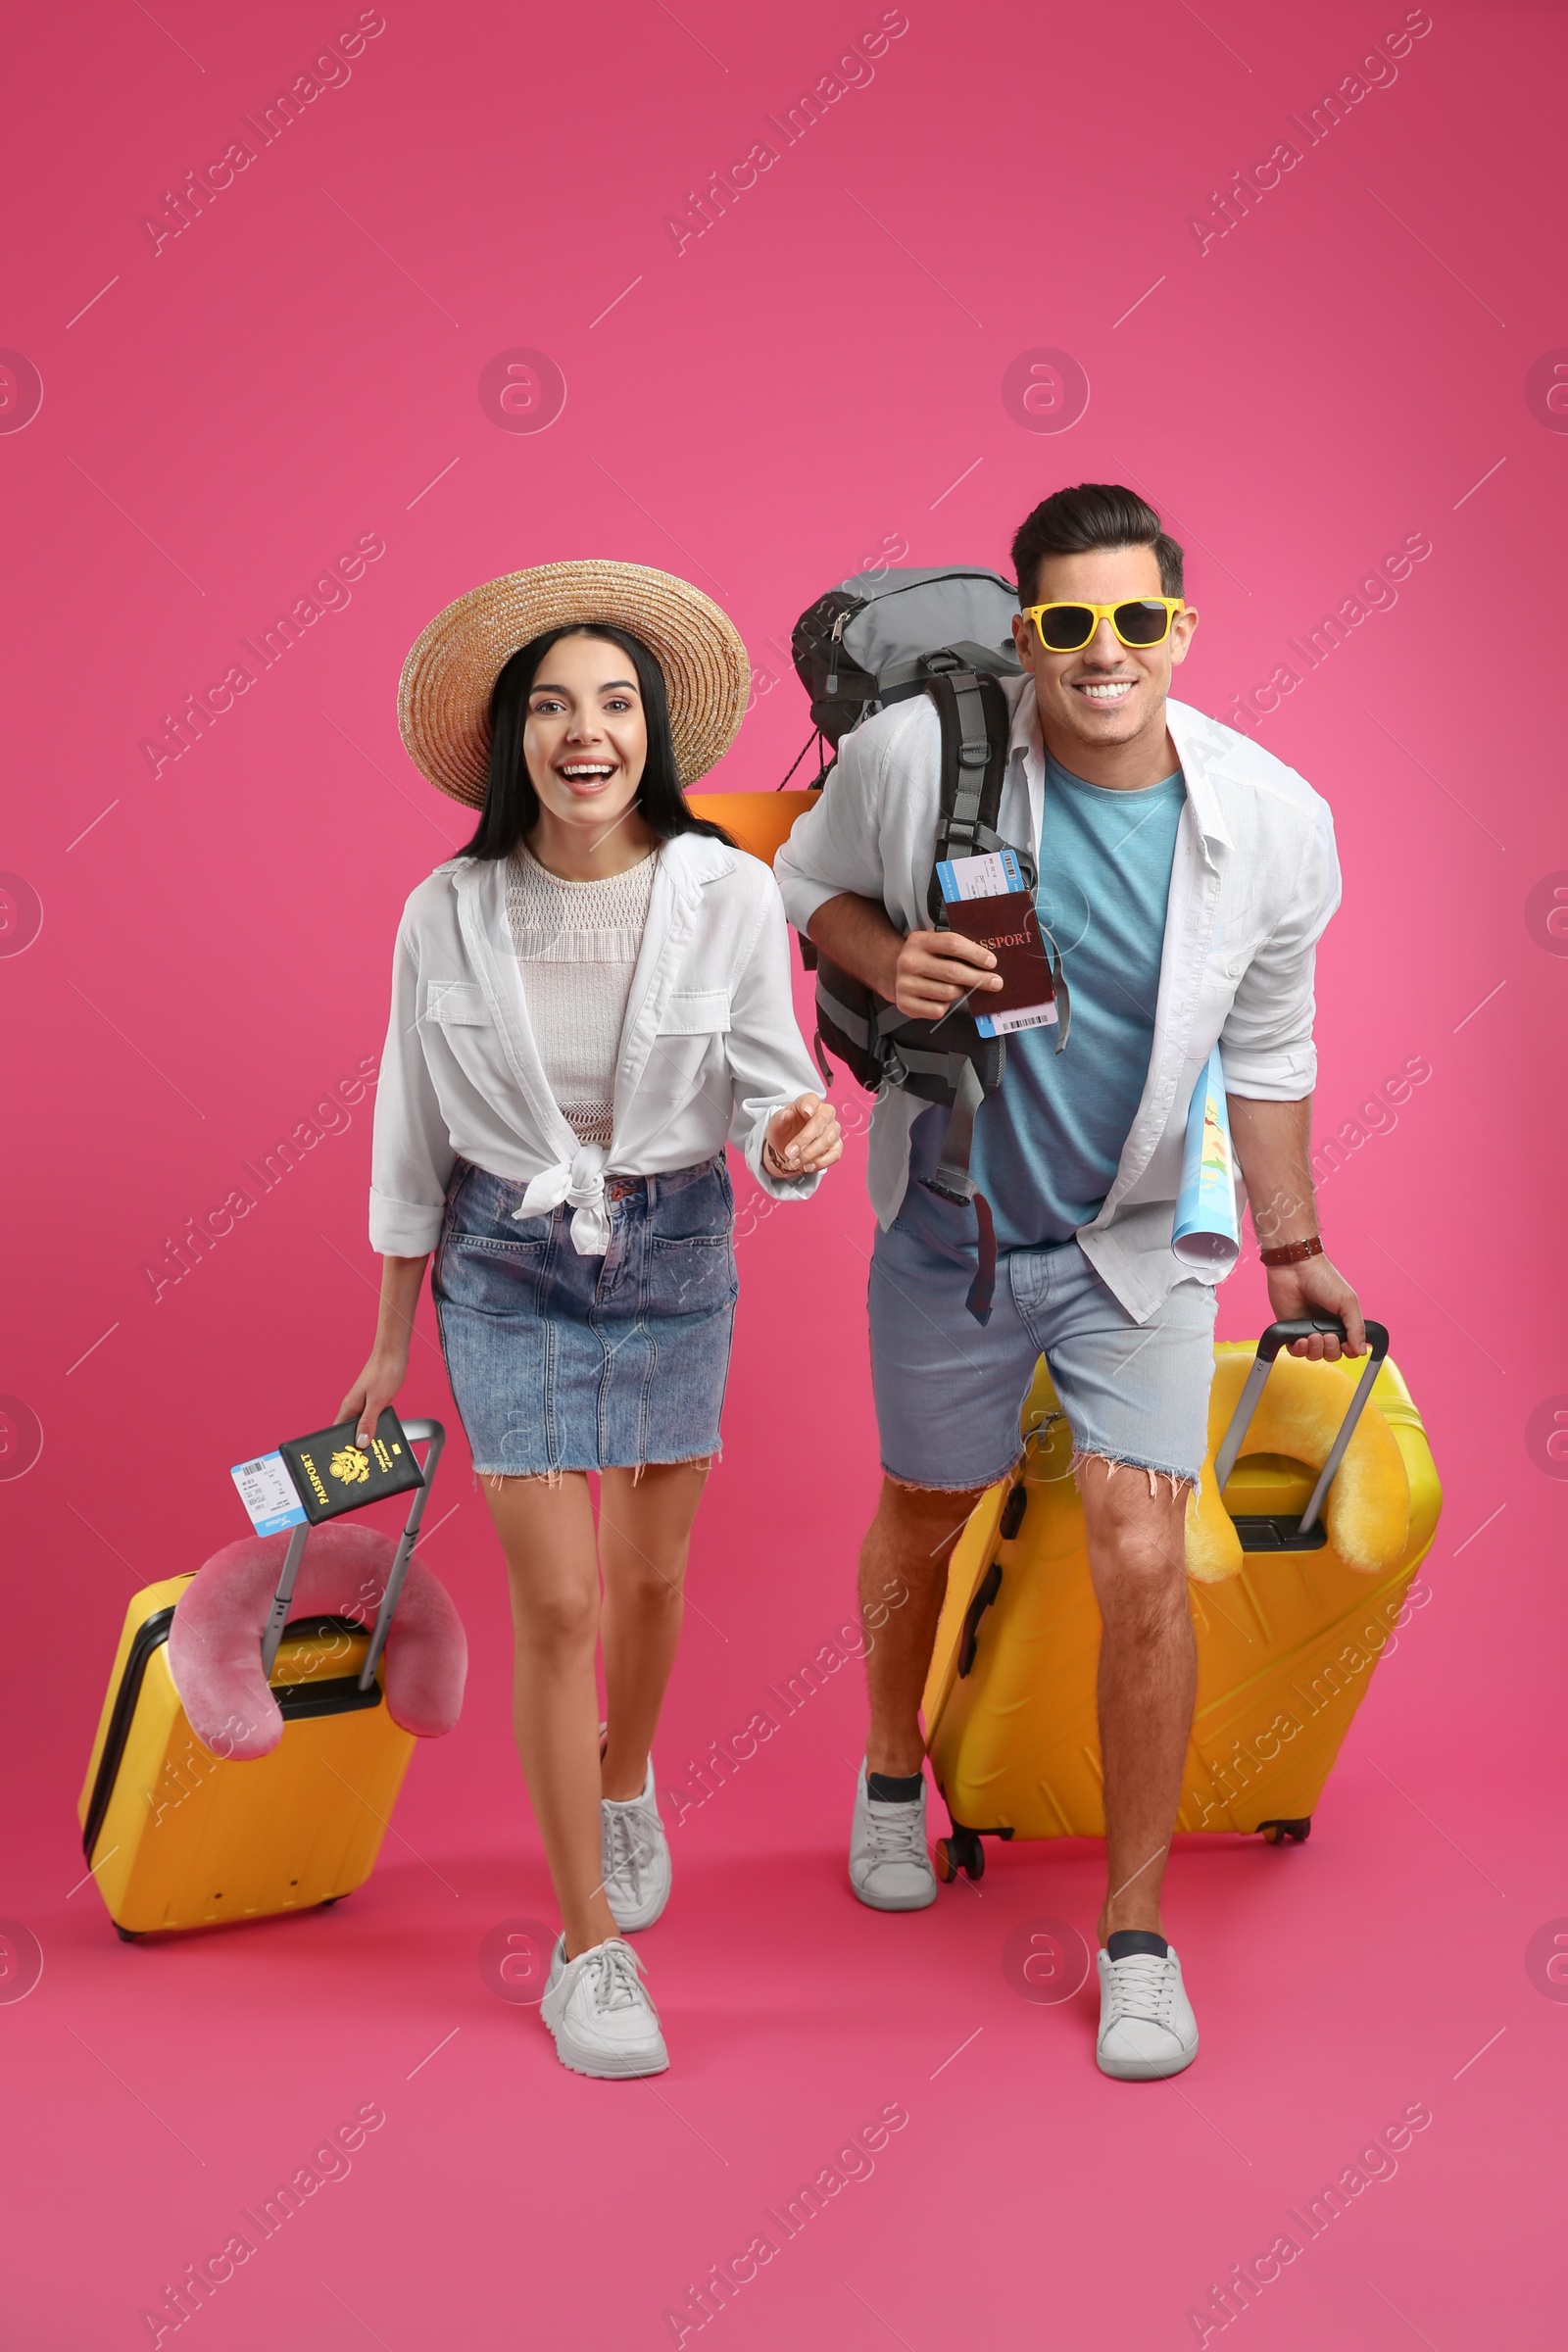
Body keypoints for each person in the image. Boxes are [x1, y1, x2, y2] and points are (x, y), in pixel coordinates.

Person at [774, 483, 1364, 2080]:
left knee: (1137, 1547)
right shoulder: (923, 760)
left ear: (1185, 628)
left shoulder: (1276, 818)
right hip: (952, 1227)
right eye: (1069, 624)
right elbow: (797, 883)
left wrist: (1295, 1246)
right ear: (1027, 631)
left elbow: (1272, 1049)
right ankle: (892, 1769)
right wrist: (880, 958)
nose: (1106, 654)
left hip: (1137, 1244)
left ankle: (1137, 1934)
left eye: (1139, 620)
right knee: (925, 1507)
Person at [343, 562, 840, 2081]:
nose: (585, 731)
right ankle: (587, 1950)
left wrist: (796, 1134)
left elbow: (771, 1078)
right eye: (552, 705)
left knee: (649, 1580)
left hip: (677, 1240)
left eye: (614, 702)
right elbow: (407, 1122)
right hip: (506, 1262)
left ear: (651, 732)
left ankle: (625, 1785)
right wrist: (385, 1336)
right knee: (557, 1608)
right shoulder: (450, 907)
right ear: (512, 738)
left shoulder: (726, 889)